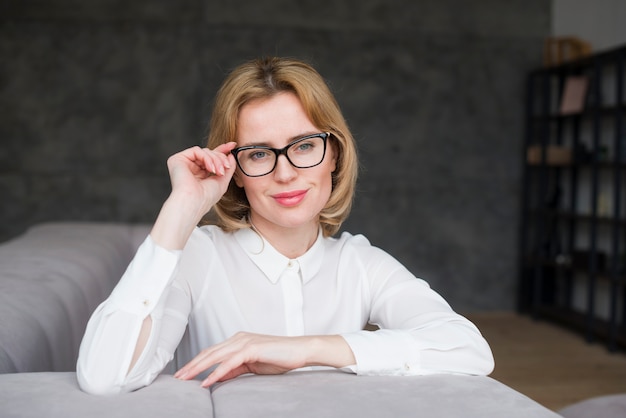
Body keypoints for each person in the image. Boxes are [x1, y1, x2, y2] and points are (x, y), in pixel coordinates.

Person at [76, 56, 494, 395]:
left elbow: (470, 350)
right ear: (235, 170)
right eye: (259, 154)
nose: (286, 173)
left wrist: (305, 350)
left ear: (335, 155)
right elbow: (104, 378)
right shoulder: (199, 256)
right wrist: (180, 209)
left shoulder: (359, 264)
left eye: (305, 146)